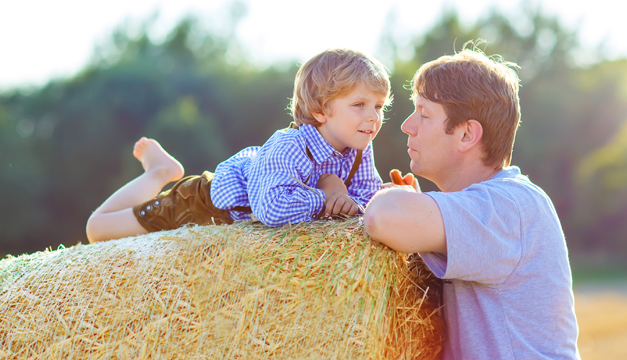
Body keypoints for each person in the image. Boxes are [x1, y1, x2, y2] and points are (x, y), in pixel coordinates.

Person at [363, 44, 580, 359]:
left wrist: (406, 202)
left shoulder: (510, 206)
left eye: (423, 114)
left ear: (466, 135)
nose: (407, 125)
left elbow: (383, 216)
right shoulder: (490, 208)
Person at [86, 48, 390, 243]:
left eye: (378, 106)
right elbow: (271, 208)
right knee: (97, 230)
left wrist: (390, 198)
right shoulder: (289, 146)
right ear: (320, 110)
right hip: (203, 206)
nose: (372, 117)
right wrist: (326, 196)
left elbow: (362, 201)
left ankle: (159, 172)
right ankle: (159, 172)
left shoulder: (359, 146)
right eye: (359, 104)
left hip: (233, 216)